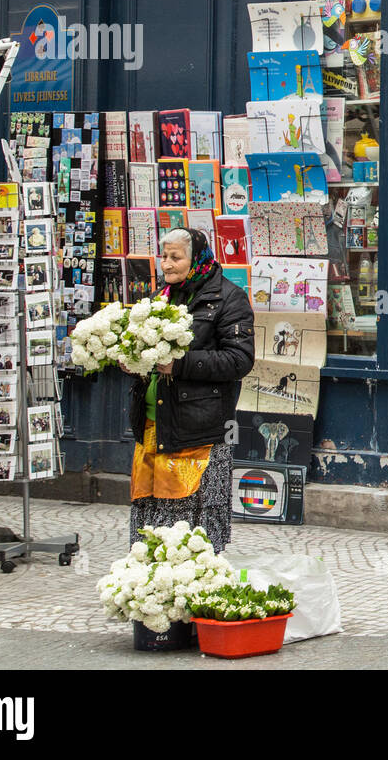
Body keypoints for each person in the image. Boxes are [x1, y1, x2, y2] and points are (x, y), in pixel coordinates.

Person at [128, 228, 254, 552]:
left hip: (200, 429)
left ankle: (190, 585)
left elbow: (239, 360)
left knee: (192, 515)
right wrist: (130, 361)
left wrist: (180, 364)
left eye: (175, 257)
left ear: (196, 257)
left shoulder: (229, 298)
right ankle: (150, 580)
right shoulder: (162, 297)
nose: (166, 264)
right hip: (156, 424)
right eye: (164, 256)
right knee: (150, 510)